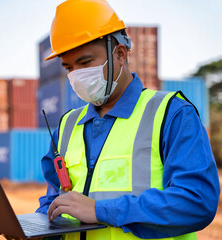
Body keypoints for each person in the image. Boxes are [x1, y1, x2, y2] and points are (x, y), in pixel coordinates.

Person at [35, 0, 220, 240]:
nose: (76, 76)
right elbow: (54, 198)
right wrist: (37, 228)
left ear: (120, 54)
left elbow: (197, 202)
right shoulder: (68, 125)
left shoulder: (172, 113)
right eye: (69, 67)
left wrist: (100, 210)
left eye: (84, 62)